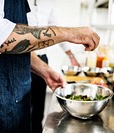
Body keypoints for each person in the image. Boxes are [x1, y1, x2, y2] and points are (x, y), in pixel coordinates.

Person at [0, 0, 100, 133]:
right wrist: (68, 33)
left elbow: (13, 45)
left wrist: (44, 70)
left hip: (17, 96)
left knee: (35, 114)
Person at [27, 1, 81, 132]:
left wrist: (71, 56)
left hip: (42, 57)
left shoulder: (49, 2)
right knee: (23, 104)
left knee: (39, 104)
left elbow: (55, 30)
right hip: (20, 58)